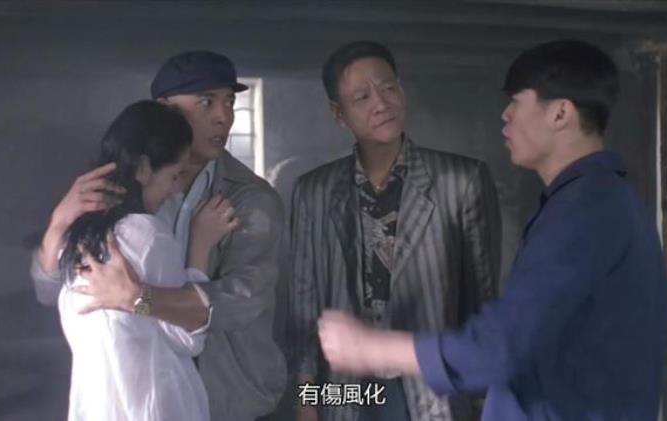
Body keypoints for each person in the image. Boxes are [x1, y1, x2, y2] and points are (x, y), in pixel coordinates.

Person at [317, 39, 667, 421]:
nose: (505, 115)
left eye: (516, 101)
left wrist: (375, 349)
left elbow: (502, 344)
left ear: (560, 113)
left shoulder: (585, 210)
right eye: (361, 97)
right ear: (340, 114)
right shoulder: (593, 201)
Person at [31, 51, 287, 420]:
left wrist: (137, 298)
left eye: (229, 102)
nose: (223, 116)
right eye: (206, 102)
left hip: (230, 399)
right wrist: (58, 224)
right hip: (138, 399)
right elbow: (50, 292)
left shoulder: (251, 199)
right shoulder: (113, 195)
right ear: (165, 109)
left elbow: (243, 300)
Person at [290, 40, 501, 421]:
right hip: (346, 389)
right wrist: (306, 399)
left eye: (388, 88)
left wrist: (482, 401)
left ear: (401, 91)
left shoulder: (461, 181)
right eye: (362, 97)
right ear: (339, 114)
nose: (381, 104)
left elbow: (481, 302)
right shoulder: (314, 192)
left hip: (431, 387)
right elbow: (305, 308)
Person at [34, 100, 239, 420]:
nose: (176, 190)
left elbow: (46, 292)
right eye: (175, 175)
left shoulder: (79, 238)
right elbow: (188, 339)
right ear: (144, 169)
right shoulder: (146, 235)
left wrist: (58, 222)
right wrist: (200, 248)